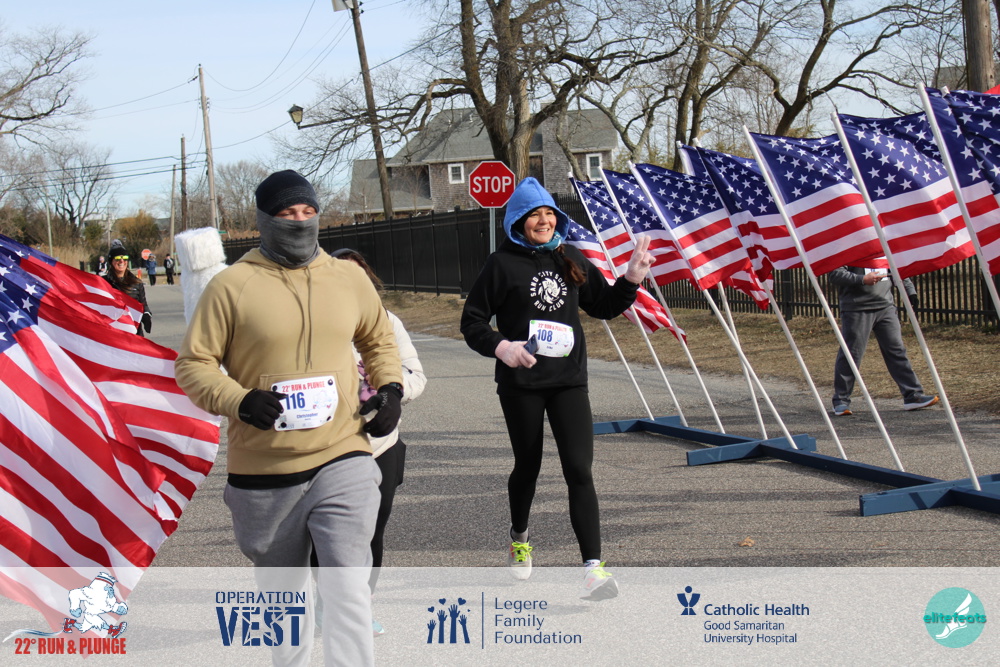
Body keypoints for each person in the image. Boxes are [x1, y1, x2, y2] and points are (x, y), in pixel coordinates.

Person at [174, 170, 402, 667]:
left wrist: (391, 389)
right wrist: (239, 400)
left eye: (307, 211)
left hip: (343, 454)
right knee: (285, 602)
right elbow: (193, 365)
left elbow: (378, 339)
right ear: (264, 220)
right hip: (265, 469)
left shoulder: (348, 277)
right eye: (286, 213)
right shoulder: (231, 286)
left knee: (347, 587)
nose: (299, 221)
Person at [460, 177, 653, 601]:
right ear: (518, 221)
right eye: (535, 215)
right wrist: (503, 347)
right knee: (527, 466)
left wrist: (631, 280)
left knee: (579, 470)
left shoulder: (570, 256)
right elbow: (471, 322)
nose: (544, 221)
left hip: (568, 382)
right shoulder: (500, 264)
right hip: (522, 384)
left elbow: (603, 306)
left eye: (549, 213)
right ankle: (520, 536)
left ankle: (593, 569)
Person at [331, 248, 427, 637]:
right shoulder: (316, 325)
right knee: (330, 531)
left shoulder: (388, 322)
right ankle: (327, 601)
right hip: (331, 447)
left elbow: (415, 374)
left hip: (382, 444)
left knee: (372, 530)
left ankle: (361, 605)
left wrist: (392, 394)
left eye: (360, 278)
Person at [830, 265, 939, 416]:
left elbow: (896, 267)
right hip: (857, 308)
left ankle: (912, 395)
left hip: (885, 306)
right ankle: (841, 400)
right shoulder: (847, 250)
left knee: (896, 350)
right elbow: (835, 274)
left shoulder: (882, 250)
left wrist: (910, 291)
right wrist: (862, 279)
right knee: (852, 353)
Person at [104, 241, 152, 336]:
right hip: (112, 333)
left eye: (125, 258)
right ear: (111, 261)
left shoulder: (136, 282)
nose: (122, 261)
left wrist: (146, 315)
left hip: (134, 331)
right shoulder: (103, 282)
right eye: (118, 258)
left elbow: (143, 305)